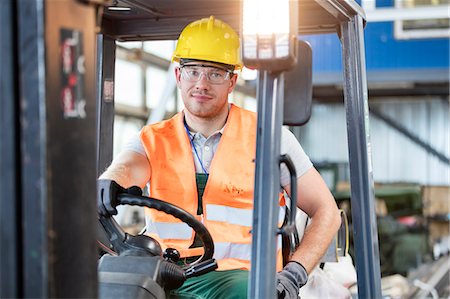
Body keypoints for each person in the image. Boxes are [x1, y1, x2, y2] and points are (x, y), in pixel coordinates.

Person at [97, 16, 341, 299]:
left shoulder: (271, 137)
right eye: (193, 71)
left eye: (214, 73)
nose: (201, 83)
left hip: (244, 280)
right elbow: (127, 166)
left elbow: (327, 212)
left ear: (232, 81)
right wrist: (111, 181)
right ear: (178, 76)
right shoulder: (150, 139)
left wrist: (293, 275)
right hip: (167, 274)